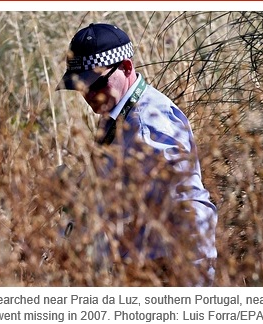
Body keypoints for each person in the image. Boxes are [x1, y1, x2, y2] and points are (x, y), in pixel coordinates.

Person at [56, 23, 217, 286]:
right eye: (81, 88)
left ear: (127, 68)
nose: (89, 96)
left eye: (95, 84)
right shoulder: (119, 113)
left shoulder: (149, 123)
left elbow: (192, 208)